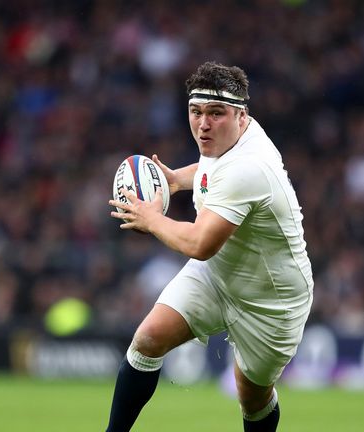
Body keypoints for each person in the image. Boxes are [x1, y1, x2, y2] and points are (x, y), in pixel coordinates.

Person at [106, 61, 314, 432]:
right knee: (147, 339)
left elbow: (200, 244)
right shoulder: (227, 136)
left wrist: (151, 218)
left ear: (241, 115)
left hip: (272, 301)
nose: (203, 124)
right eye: (196, 112)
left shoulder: (248, 168)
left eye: (215, 114)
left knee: (251, 397)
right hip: (218, 275)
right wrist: (176, 180)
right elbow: (209, 169)